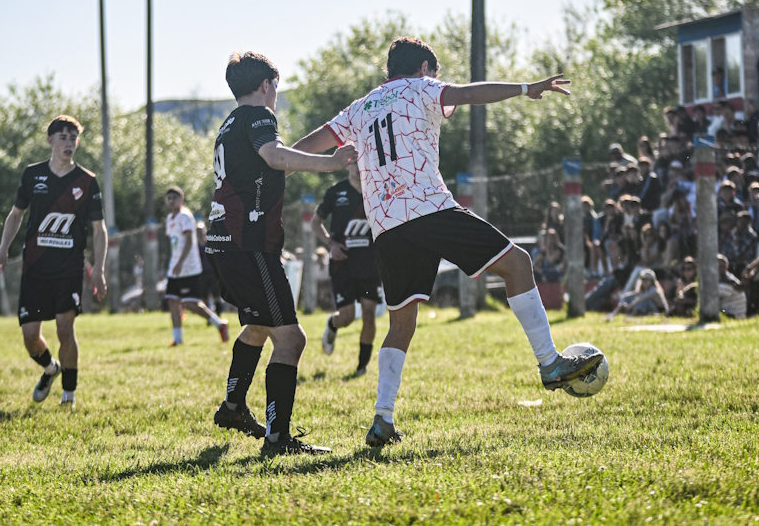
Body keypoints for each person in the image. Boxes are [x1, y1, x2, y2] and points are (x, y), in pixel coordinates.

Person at [291, 36, 602, 448]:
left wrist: (276, 164)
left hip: (385, 227)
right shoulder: (422, 87)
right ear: (423, 68)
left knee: (401, 323)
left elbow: (307, 146)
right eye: (434, 74)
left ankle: (382, 419)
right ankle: (549, 363)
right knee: (518, 264)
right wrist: (528, 88)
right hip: (428, 209)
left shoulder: (361, 107)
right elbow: (470, 94)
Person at [208, 51, 356, 456]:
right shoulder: (260, 117)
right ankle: (278, 440)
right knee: (291, 339)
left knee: (257, 326)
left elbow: (270, 167)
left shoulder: (228, 125)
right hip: (250, 245)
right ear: (267, 85)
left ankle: (233, 408)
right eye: (277, 86)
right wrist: (331, 162)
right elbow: (275, 156)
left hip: (224, 243)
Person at [0, 115, 107, 408]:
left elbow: (98, 229)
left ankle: (69, 395)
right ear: (50, 140)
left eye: (73, 139)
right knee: (30, 337)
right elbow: (16, 215)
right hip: (35, 267)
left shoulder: (87, 181)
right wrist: (3, 250)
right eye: (63, 138)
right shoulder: (33, 175)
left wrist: (99, 270)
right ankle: (50, 368)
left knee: (65, 329)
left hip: (68, 268)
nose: (68, 144)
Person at [312, 160, 382, 377]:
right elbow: (316, 223)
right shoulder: (336, 192)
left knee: (369, 315)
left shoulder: (378, 188)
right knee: (347, 317)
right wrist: (331, 244)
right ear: (348, 165)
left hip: (370, 266)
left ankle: (361, 367)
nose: (359, 168)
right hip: (343, 266)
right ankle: (332, 324)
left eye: (363, 161)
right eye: (355, 163)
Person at [164, 185, 228, 346]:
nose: (171, 201)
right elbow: (174, 243)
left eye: (175, 198)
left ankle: (219, 324)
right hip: (175, 268)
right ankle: (178, 339)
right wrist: (173, 263)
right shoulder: (169, 219)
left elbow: (189, 242)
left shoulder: (185, 217)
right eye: (169, 198)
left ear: (181, 199)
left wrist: (179, 263)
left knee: (189, 304)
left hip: (188, 268)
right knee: (172, 301)